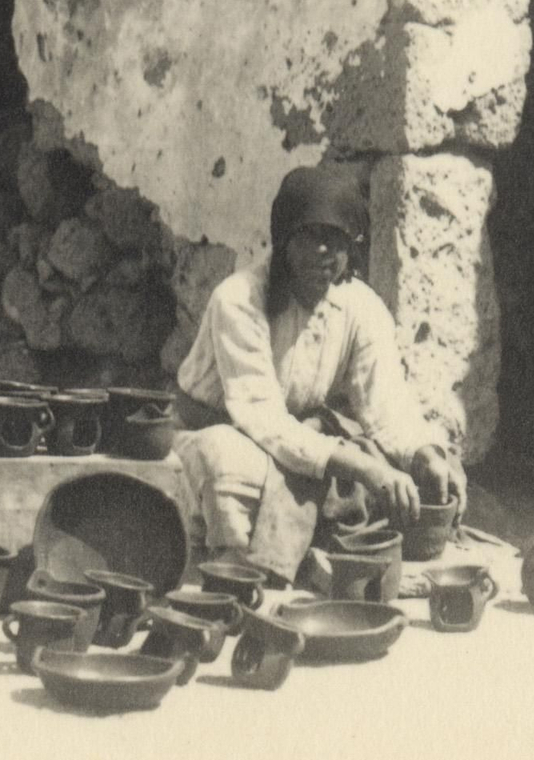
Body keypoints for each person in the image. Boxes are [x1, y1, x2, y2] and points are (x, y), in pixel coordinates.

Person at [171, 164, 466, 584]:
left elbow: (386, 407)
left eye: (336, 239)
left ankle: (322, 555)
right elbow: (264, 420)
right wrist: (362, 468)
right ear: (284, 239)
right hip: (220, 426)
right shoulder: (238, 299)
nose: (323, 252)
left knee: (388, 464)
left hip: (296, 430)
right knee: (237, 464)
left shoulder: (360, 307)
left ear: (351, 247)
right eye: (309, 236)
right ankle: (238, 570)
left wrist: (423, 453)